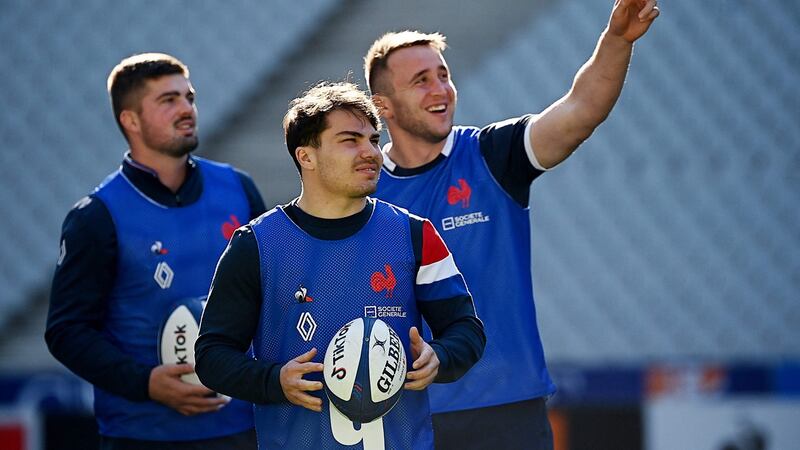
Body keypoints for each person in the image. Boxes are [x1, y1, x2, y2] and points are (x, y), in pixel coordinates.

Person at [363, 1, 659, 448]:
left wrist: (616, 41)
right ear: (382, 105)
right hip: (405, 418)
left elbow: (580, 111)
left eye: (443, 74)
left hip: (508, 412)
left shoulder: (491, 154)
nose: (439, 88)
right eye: (420, 80)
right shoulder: (361, 194)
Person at [194, 81, 485, 449]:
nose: (371, 153)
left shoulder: (416, 234)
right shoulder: (256, 245)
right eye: (350, 140)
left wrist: (439, 357)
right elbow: (211, 356)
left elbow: (467, 331)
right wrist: (274, 380)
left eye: (374, 140)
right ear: (307, 156)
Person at [45, 53, 264, 449]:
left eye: (189, 97)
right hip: (143, 434)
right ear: (131, 120)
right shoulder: (97, 216)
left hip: (241, 428)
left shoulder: (239, 189)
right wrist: (145, 383)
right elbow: (67, 331)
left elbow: (273, 294)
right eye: (169, 100)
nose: (187, 109)